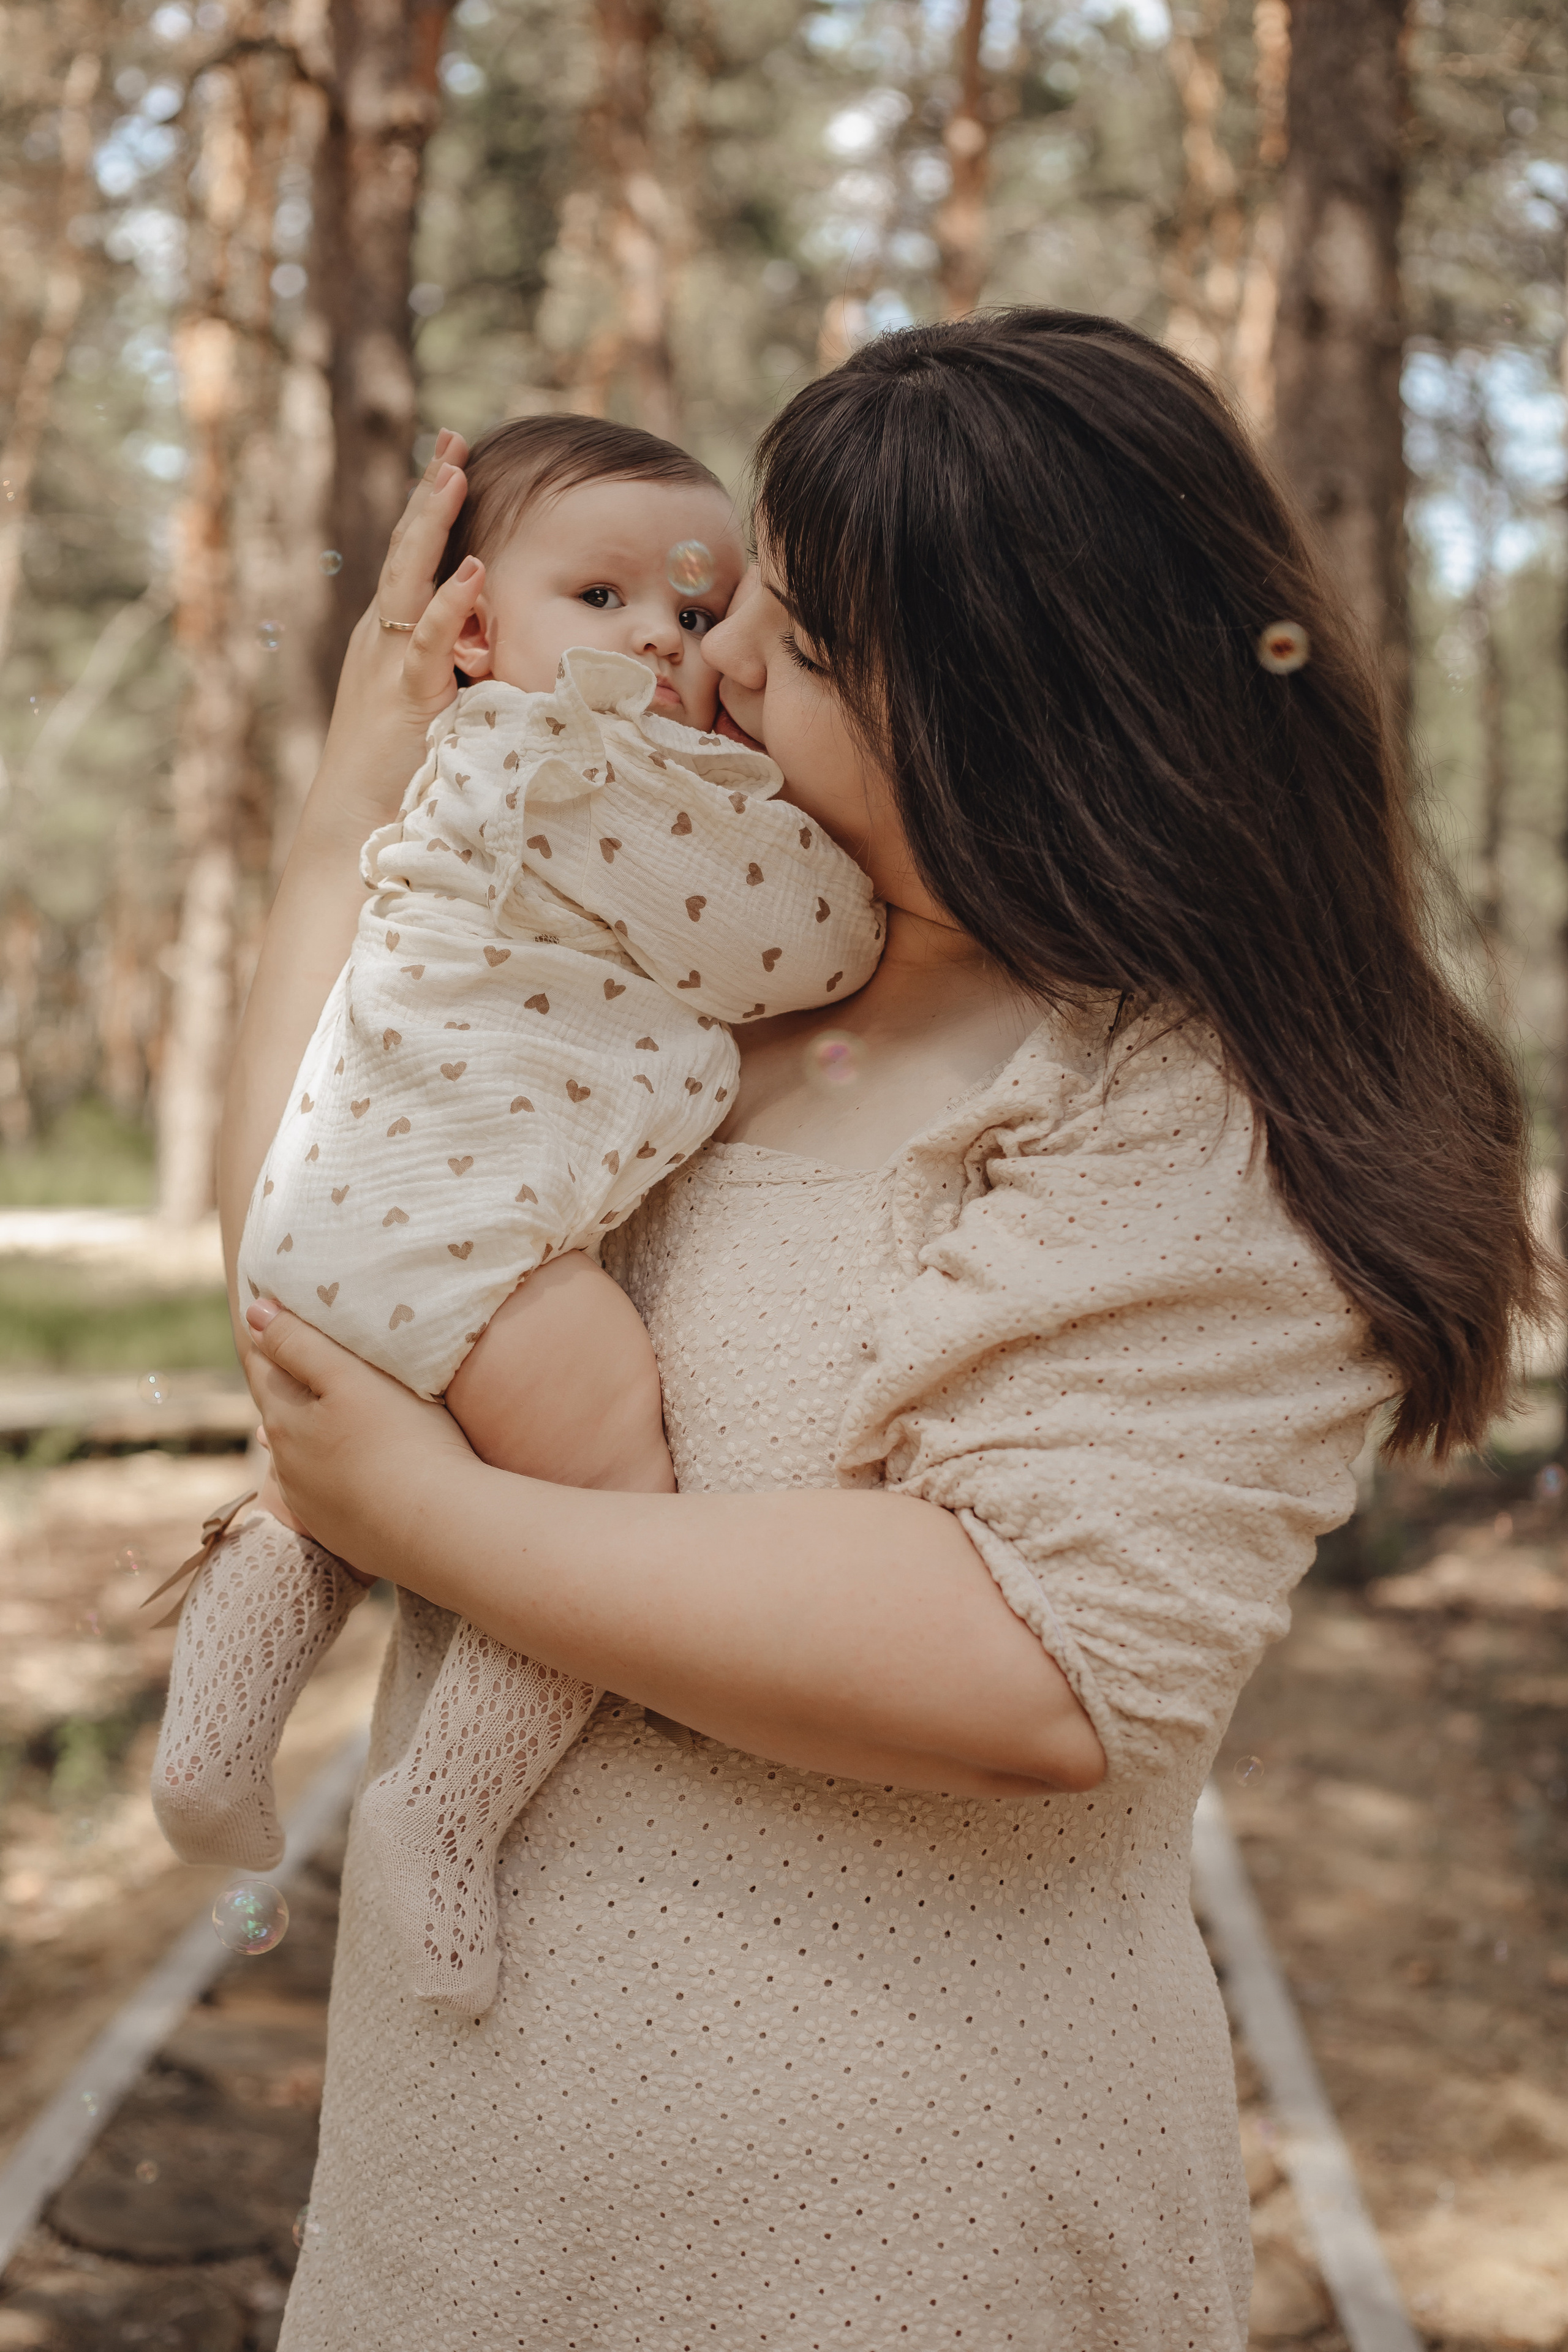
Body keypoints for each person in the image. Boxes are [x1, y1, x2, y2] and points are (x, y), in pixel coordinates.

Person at [235, 311, 1542, 2348]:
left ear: (1012, 714)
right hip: (460, 2190)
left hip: (892, 2233)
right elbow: (329, 1231)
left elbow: (1028, 1662)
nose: (724, 655)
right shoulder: (720, 971)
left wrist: (423, 1515)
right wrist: (355, 804)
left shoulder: (1185, 1109)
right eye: (749, 580)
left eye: (811, 640)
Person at [148, 415, 882, 2020]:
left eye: (696, 614)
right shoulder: (581, 767)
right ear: (474, 630)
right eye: (601, 597)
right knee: (607, 1487)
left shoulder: (469, 769)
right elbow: (800, 946)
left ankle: (209, 1751)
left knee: (318, 1501)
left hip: (336, 1204)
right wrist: (851, 884)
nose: (657, 645)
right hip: (459, 1223)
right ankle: (450, 1804)